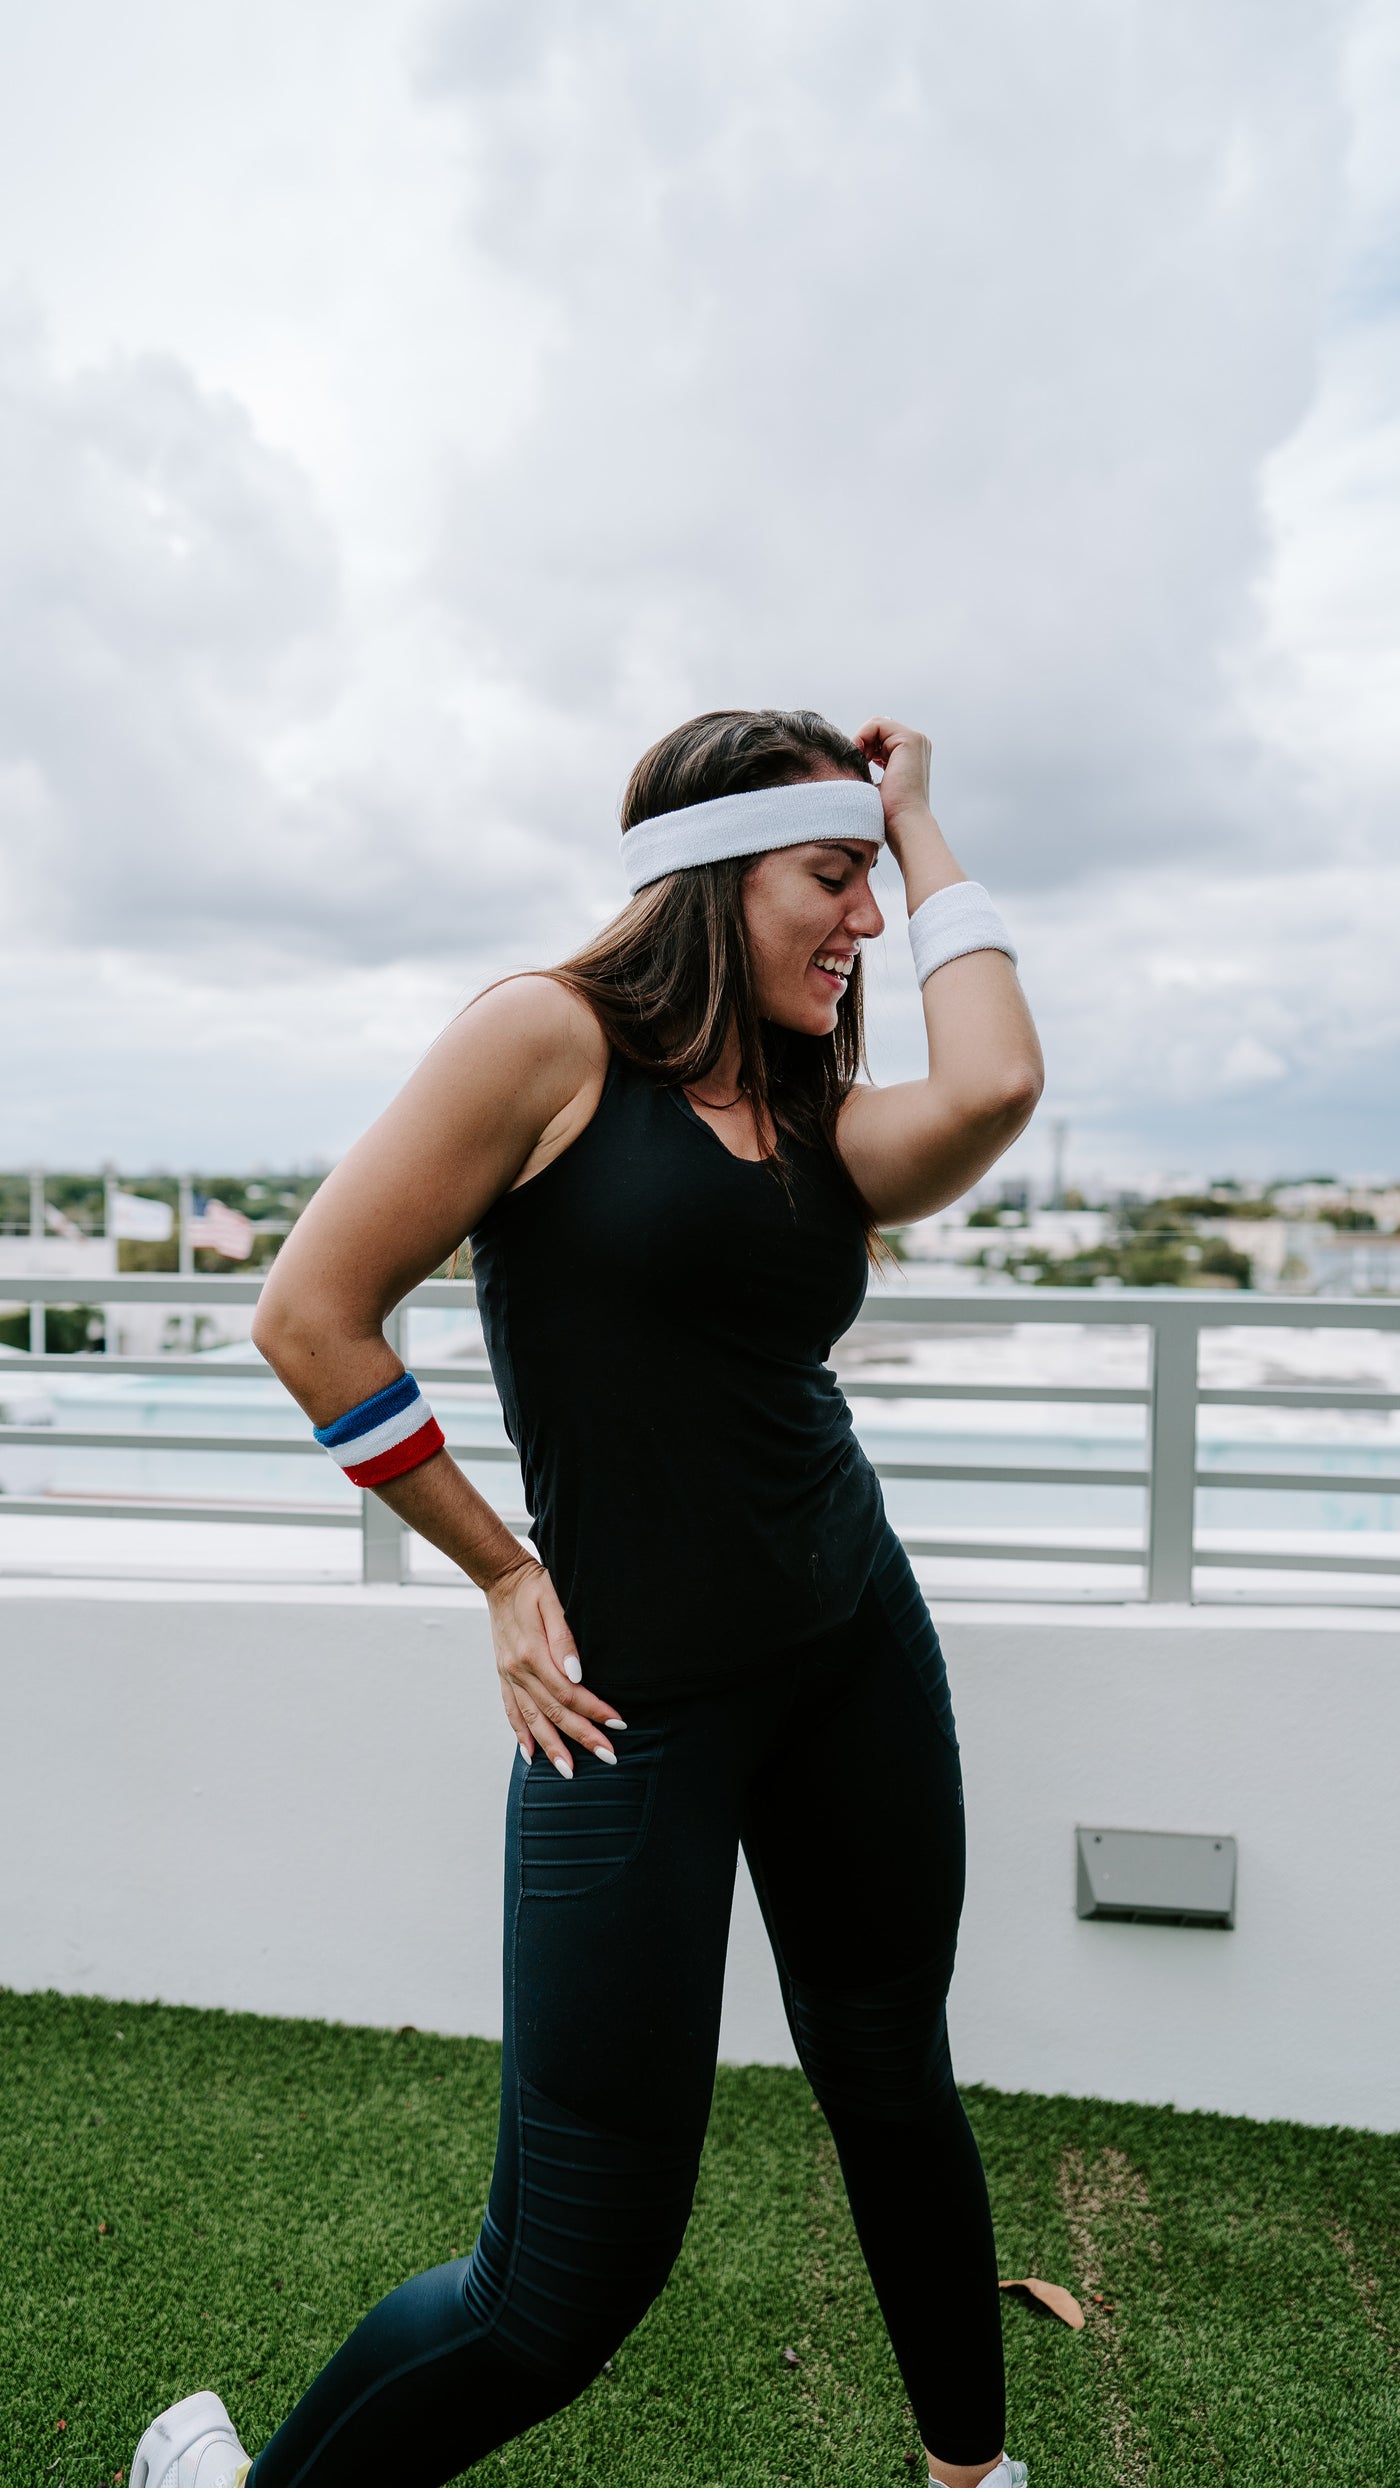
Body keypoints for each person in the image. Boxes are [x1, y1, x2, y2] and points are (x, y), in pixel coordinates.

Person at [131, 709, 1043, 2488]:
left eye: (873, 883)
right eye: (829, 876)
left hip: (851, 1641)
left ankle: (971, 2479)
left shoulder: (809, 1116)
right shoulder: (540, 1039)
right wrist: (499, 1569)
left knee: (891, 2077)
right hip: (631, 1702)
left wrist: (917, 823)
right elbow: (310, 1318)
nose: (863, 923)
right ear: (710, 878)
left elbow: (998, 1084)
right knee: (567, 2277)